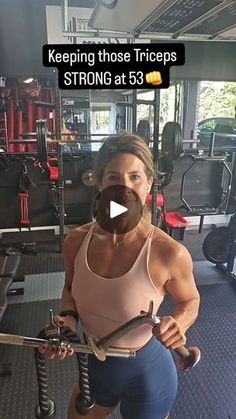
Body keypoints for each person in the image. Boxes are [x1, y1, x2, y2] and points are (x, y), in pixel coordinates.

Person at [43, 132, 200, 419]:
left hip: (148, 377)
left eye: (135, 177)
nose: (124, 187)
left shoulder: (168, 253)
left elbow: (190, 301)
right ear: (100, 182)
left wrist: (179, 324)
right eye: (114, 177)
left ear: (149, 183)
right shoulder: (76, 241)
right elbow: (69, 288)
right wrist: (68, 320)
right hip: (94, 366)